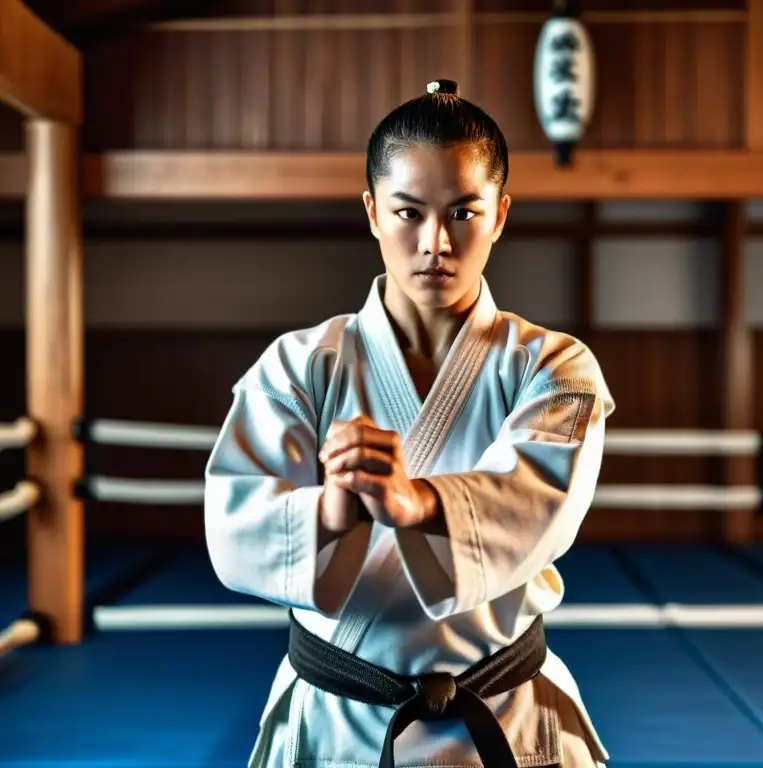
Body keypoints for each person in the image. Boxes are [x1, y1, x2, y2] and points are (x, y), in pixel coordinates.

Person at [204, 78, 614, 768]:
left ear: (500, 215)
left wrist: (417, 501)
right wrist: (331, 512)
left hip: (505, 719)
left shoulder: (555, 367)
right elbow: (233, 524)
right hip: (338, 725)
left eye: (463, 213)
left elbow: (544, 508)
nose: (435, 243)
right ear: (371, 212)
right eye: (407, 212)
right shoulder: (300, 367)